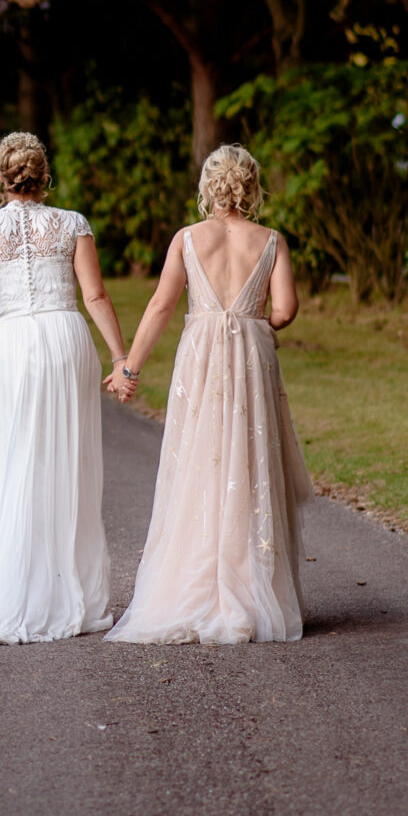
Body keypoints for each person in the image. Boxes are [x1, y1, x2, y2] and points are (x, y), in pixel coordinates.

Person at [105, 144, 314, 645]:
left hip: (200, 356)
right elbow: (285, 309)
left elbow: (160, 306)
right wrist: (254, 319)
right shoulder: (272, 241)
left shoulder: (186, 239)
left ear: (208, 187)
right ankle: (252, 587)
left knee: (201, 460)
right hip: (251, 354)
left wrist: (128, 368)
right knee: (249, 459)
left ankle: (196, 584)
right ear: (252, 186)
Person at [0, 132, 132, 643]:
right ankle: (74, 593)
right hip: (65, 336)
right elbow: (94, 294)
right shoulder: (72, 224)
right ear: (43, 175)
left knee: (13, 460)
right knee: (68, 462)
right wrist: (120, 358)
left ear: (0, 177)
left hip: (12, 343)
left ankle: (22, 598)